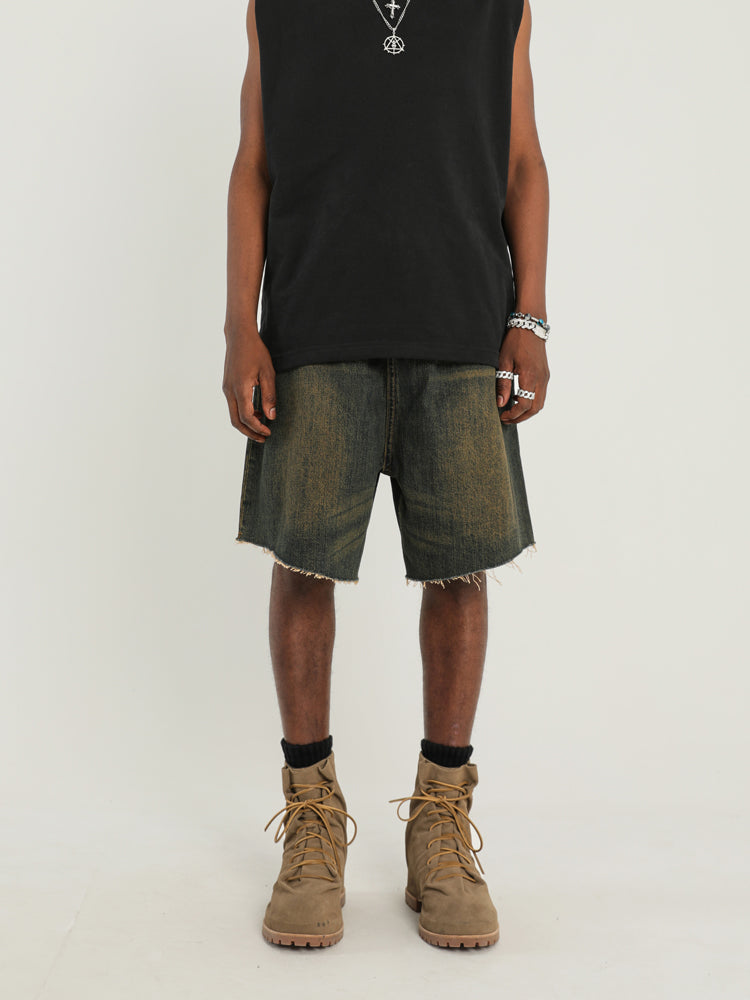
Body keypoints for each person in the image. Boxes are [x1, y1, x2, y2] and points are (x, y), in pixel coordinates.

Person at [223, 0, 549, 950]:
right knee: (303, 565)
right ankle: (312, 820)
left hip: (460, 325)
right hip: (315, 325)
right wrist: (240, 326)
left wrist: (529, 316)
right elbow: (255, 164)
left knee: (461, 570)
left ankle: (440, 822)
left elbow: (522, 162)